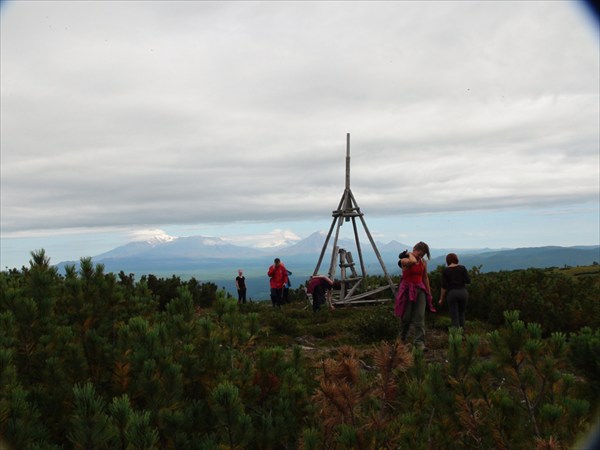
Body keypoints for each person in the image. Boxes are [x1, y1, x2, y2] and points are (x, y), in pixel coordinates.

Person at [395, 241, 436, 351]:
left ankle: (419, 344)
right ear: (414, 250)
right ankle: (400, 341)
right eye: (419, 254)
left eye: (423, 255)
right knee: (406, 318)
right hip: (407, 290)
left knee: (420, 317)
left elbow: (425, 277)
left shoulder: (423, 262)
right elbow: (412, 261)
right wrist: (410, 255)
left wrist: (429, 293)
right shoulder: (404, 260)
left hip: (420, 290)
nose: (420, 257)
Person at [438, 253, 471, 329]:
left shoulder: (446, 271)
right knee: (462, 313)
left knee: (454, 315)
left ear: (447, 261)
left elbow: (444, 287)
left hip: (452, 294)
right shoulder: (462, 268)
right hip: (463, 292)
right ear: (456, 259)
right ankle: (462, 334)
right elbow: (468, 281)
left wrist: (441, 299)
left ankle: (456, 335)